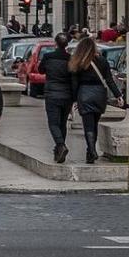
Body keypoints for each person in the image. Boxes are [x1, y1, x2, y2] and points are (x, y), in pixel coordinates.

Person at [69, 37, 124, 164]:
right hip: (99, 94)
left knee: (88, 125)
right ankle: (90, 152)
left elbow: (74, 83)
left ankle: (92, 150)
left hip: (84, 93)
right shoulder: (102, 61)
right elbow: (109, 80)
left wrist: (74, 99)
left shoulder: (78, 62)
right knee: (94, 124)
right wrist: (118, 95)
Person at [40, 33, 74, 163]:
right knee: (62, 123)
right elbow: (73, 77)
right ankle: (59, 150)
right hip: (67, 95)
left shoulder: (48, 57)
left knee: (53, 123)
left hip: (52, 94)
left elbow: (41, 70)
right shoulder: (70, 59)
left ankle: (60, 145)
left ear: (55, 43)